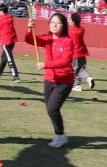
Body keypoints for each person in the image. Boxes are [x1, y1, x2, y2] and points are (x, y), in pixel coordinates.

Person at [25, 12, 75, 148]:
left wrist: (45, 65)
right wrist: (29, 28)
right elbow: (30, 40)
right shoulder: (47, 39)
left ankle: (60, 135)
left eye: (58, 23)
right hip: (49, 79)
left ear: (63, 26)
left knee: (53, 109)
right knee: (49, 109)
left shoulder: (67, 41)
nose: (55, 25)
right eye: (52, 22)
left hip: (64, 80)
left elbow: (65, 61)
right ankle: (60, 135)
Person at [0, 4, 20, 81]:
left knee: (9, 58)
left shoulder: (1, 18)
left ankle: (15, 76)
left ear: (1, 11)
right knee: (4, 57)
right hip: (12, 40)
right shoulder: (10, 17)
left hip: (6, 41)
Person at [68, 12, 95, 91]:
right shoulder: (82, 30)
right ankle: (88, 77)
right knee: (82, 69)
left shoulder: (69, 32)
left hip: (75, 54)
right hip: (82, 53)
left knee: (75, 70)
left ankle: (77, 85)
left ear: (73, 22)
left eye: (70, 20)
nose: (69, 21)